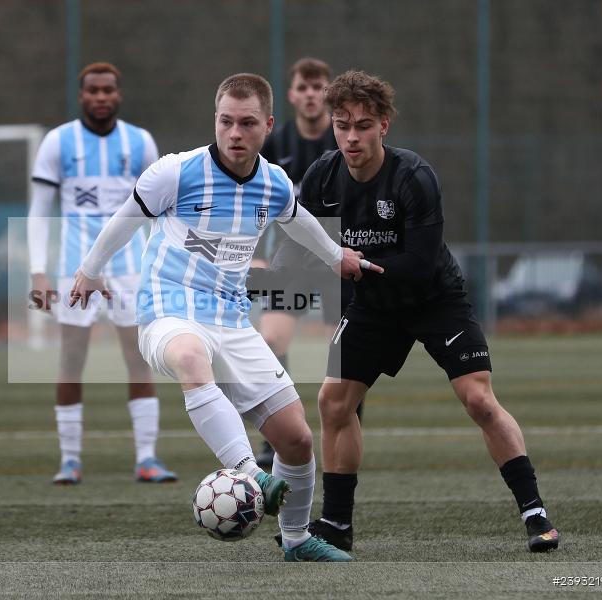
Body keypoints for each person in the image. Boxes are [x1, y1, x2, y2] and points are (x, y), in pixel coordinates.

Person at [70, 73, 382, 561]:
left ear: (268, 125)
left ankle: (296, 539)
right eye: (226, 121)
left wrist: (335, 255)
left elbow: (297, 220)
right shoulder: (174, 172)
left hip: (232, 321)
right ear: (215, 120)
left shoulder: (273, 182)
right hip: (168, 310)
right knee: (191, 358)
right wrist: (90, 271)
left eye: (247, 123)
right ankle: (250, 472)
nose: (235, 133)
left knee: (297, 439)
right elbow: (124, 220)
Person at [296, 70, 559, 553]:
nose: (351, 137)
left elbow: (418, 266)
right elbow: (306, 247)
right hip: (373, 305)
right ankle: (336, 525)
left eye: (363, 126)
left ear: (384, 125)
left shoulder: (413, 176)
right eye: (342, 125)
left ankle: (535, 513)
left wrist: (348, 264)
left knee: (479, 400)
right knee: (333, 402)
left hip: (435, 299)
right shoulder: (321, 177)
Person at [28, 62, 176, 485]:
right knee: (71, 361)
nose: (100, 97)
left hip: (130, 271)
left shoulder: (140, 141)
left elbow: (160, 209)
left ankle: (146, 458)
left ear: (118, 94)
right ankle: (69, 460)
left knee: (138, 359)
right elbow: (39, 210)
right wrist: (38, 273)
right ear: (81, 96)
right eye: (92, 90)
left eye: (107, 90)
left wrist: (161, 263)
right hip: (75, 272)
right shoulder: (58, 142)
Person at [251, 58, 360, 469]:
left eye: (318, 87)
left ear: (328, 95)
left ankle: (345, 429)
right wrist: (257, 250)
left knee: (344, 353)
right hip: (292, 257)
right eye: (304, 87)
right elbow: (258, 199)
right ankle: (276, 436)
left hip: (340, 256)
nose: (311, 94)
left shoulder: (345, 138)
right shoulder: (276, 144)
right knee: (271, 340)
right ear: (292, 95)